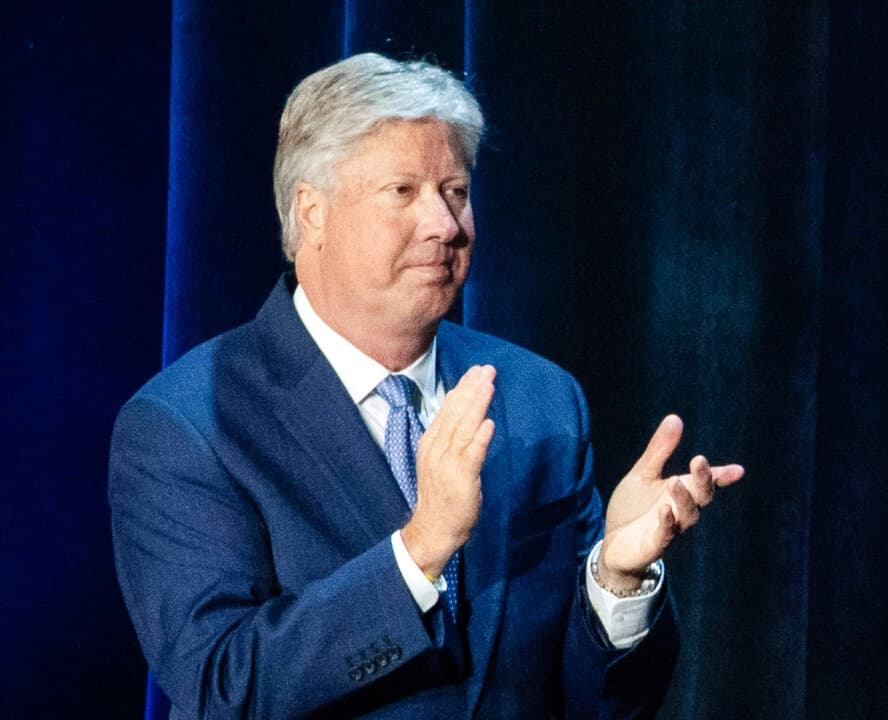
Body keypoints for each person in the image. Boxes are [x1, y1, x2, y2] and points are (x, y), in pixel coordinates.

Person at [109, 52, 743, 719]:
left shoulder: (539, 400)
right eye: (404, 191)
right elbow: (222, 684)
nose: (445, 225)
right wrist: (419, 550)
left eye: (456, 192)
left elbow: (601, 705)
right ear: (312, 212)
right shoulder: (187, 424)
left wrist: (616, 580)